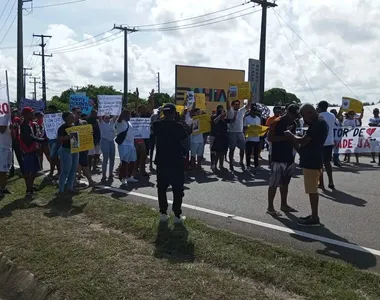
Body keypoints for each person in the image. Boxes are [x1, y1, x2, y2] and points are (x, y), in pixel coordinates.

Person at [285, 104, 328, 227]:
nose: (303, 119)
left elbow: (304, 140)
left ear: (309, 113)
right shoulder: (320, 122)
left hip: (311, 161)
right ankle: (313, 215)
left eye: (303, 116)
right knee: (312, 189)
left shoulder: (317, 124)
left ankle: (315, 217)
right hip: (315, 158)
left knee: (312, 190)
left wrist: (292, 136)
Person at [153, 104, 190, 224]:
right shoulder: (178, 126)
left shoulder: (157, 125)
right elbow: (186, 134)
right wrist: (180, 120)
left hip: (162, 160)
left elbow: (156, 124)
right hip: (175, 161)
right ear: (174, 113)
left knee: (162, 188)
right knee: (177, 188)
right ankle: (177, 215)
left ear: (163, 113)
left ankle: (163, 213)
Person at [266, 104, 299, 215]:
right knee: (274, 183)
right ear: (289, 112)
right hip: (277, 156)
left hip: (289, 156)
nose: (295, 117)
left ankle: (284, 205)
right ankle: (270, 207)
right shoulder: (277, 122)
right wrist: (286, 137)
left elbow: (293, 139)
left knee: (285, 183)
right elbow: (270, 138)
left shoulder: (293, 123)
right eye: (294, 114)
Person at [19, 107, 45, 196]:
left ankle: (30, 187)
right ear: (26, 115)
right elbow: (30, 137)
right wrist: (42, 140)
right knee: (29, 172)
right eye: (31, 113)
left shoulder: (29, 124)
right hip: (28, 151)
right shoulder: (24, 125)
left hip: (32, 150)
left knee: (34, 171)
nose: (33, 115)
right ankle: (29, 190)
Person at [227, 94, 252, 171]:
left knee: (242, 148)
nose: (238, 105)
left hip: (240, 132)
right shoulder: (230, 110)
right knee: (232, 149)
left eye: (238, 104)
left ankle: (241, 161)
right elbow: (227, 104)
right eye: (236, 104)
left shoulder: (241, 111)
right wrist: (228, 96)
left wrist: (251, 96)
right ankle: (231, 163)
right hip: (232, 132)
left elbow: (248, 105)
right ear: (232, 105)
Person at [72, 107, 95, 187]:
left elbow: (89, 133)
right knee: (73, 165)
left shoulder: (84, 122)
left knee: (85, 164)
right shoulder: (69, 124)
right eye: (77, 112)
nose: (79, 114)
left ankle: (90, 181)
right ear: (73, 113)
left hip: (83, 148)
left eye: (80, 112)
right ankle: (73, 181)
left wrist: (90, 132)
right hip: (73, 148)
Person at [57, 112, 79, 194]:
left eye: (73, 115)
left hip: (75, 150)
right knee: (66, 170)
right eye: (71, 116)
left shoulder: (74, 126)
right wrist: (67, 137)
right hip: (66, 151)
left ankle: (70, 188)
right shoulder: (62, 128)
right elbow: (59, 139)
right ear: (66, 119)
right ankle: (61, 190)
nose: (73, 117)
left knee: (73, 170)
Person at [116, 109, 138, 185]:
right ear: (124, 115)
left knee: (132, 161)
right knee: (124, 162)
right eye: (128, 115)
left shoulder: (129, 122)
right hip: (123, 145)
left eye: (129, 115)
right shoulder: (120, 122)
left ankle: (129, 176)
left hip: (131, 145)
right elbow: (119, 119)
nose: (129, 116)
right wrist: (122, 114)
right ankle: (123, 178)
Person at [317, 101, 336, 190]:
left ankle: (321, 183)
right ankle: (331, 181)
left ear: (320, 107)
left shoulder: (318, 116)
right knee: (327, 162)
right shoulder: (332, 115)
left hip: (320, 141)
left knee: (319, 163)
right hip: (329, 141)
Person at [98, 114, 117, 182]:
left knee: (112, 158)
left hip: (111, 142)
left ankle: (110, 174)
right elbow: (99, 114)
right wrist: (96, 105)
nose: (108, 119)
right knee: (105, 158)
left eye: (109, 117)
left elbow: (116, 115)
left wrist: (119, 106)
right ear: (103, 118)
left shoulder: (111, 122)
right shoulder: (101, 123)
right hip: (104, 141)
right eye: (106, 118)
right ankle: (104, 175)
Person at [244, 104, 262, 170]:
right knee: (248, 153)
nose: (254, 112)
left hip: (256, 138)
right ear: (251, 111)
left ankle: (256, 165)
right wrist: (250, 128)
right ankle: (248, 165)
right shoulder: (246, 118)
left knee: (256, 153)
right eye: (253, 110)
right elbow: (244, 127)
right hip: (249, 138)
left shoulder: (258, 118)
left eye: (255, 110)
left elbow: (259, 128)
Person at [46, 105, 61, 180]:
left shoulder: (58, 117)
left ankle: (55, 172)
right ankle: (55, 171)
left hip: (56, 140)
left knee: (53, 156)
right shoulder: (47, 118)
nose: (49, 111)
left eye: (50, 110)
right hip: (50, 140)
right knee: (53, 157)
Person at [0, 117, 12, 197]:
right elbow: (2, 130)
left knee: (6, 170)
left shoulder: (7, 118)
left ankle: (3, 188)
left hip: (8, 146)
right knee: (1, 170)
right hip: (1, 147)